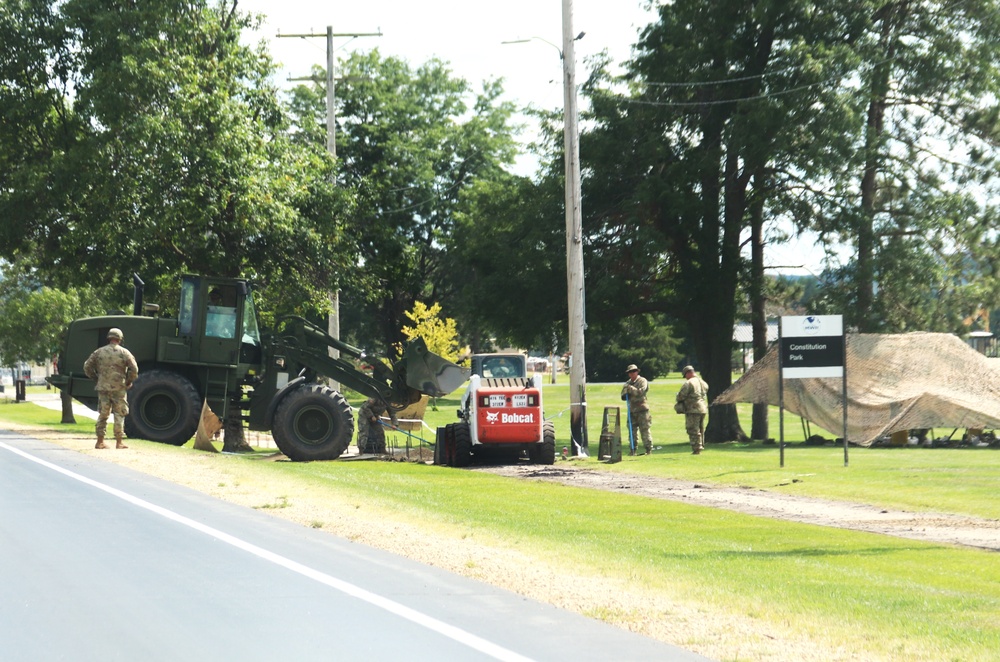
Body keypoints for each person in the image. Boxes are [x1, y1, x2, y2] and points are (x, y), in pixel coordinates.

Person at [83, 327, 139, 450]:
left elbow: (87, 367)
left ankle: (100, 441)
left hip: (103, 388)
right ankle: (119, 442)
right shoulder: (124, 353)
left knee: (103, 414)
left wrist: (97, 378)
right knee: (119, 413)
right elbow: (134, 369)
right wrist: (128, 382)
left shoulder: (99, 352)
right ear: (119, 339)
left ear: (109, 338)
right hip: (119, 388)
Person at [676, 365, 709, 454]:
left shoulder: (689, 383)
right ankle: (701, 445)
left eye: (685, 375)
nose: (685, 378)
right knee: (700, 428)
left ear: (688, 373)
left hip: (693, 409)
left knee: (692, 429)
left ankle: (696, 448)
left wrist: (678, 397)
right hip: (702, 408)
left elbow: (681, 396)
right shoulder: (703, 382)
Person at [621, 363, 652, 455]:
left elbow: (641, 392)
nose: (632, 373)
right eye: (630, 372)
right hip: (632, 410)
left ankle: (648, 449)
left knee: (645, 430)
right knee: (632, 431)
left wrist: (630, 389)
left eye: (634, 371)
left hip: (642, 409)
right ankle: (632, 449)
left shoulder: (642, 381)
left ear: (637, 372)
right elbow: (622, 396)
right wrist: (625, 392)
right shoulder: (627, 383)